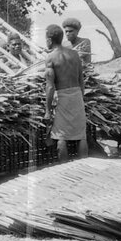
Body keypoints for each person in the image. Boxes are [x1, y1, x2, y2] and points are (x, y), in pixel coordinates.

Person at [45, 24, 88, 162]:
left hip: (63, 97)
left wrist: (47, 110)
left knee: (61, 135)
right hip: (77, 95)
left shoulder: (51, 58)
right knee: (81, 135)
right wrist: (80, 98)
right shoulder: (74, 54)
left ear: (50, 40)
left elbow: (50, 87)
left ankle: (63, 167)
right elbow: (81, 80)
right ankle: (85, 166)